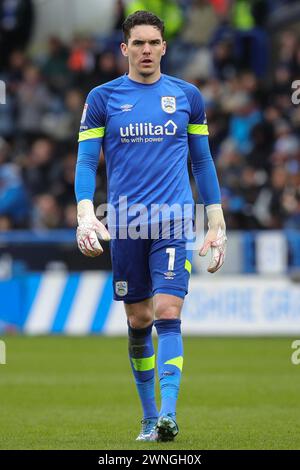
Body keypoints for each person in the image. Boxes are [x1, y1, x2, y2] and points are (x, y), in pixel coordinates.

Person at [75, 10, 226, 442]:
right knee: (138, 320)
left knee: (167, 313)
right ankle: (147, 418)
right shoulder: (102, 98)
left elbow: (202, 160)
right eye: (137, 43)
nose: (146, 50)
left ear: (164, 47)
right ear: (124, 48)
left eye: (153, 43)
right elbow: (86, 160)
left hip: (173, 221)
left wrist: (215, 219)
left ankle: (169, 415)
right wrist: (86, 211)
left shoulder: (187, 95)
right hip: (125, 224)